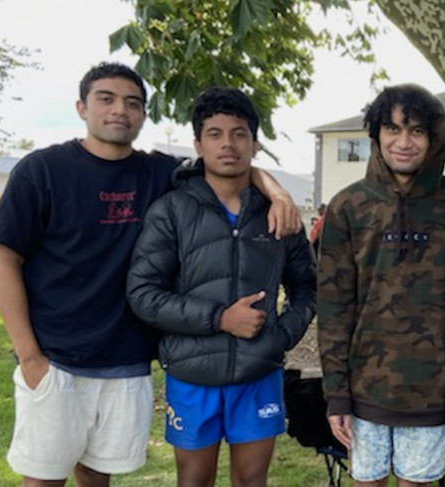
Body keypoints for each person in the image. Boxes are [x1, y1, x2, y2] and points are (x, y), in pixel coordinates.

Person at [0, 62, 300, 487]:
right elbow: (4, 258)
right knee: (43, 478)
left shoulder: (157, 173)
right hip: (57, 357)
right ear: (82, 107)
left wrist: (277, 191)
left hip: (126, 362)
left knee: (98, 477)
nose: (120, 110)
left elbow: (229, 165)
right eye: (106, 99)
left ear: (143, 115)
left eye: (132, 103)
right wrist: (29, 356)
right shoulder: (42, 170)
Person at [126, 87, 316, 487]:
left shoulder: (278, 212)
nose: (227, 144)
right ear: (198, 143)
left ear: (255, 142)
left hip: (258, 373)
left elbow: (306, 286)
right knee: (194, 481)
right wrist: (219, 319)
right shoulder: (172, 210)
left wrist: (279, 336)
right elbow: (143, 293)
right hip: (192, 373)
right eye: (215, 134)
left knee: (252, 480)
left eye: (239, 133)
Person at [317, 84, 445, 487]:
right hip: (363, 387)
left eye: (417, 131)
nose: (404, 142)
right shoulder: (347, 205)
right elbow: (334, 307)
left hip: (432, 386)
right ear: (376, 134)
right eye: (393, 128)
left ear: (434, 139)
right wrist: (336, 393)